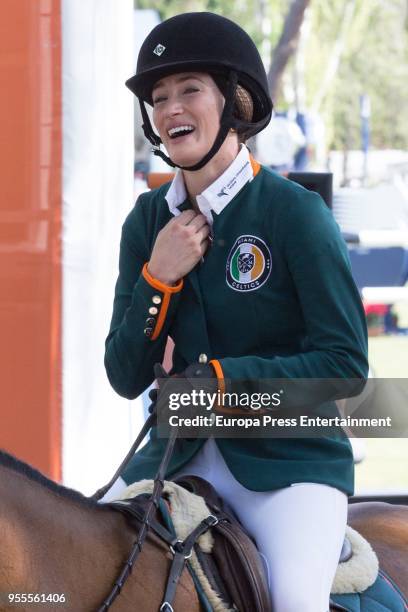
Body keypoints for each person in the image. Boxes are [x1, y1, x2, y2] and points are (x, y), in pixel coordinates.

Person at [103, 12, 368, 611]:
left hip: (289, 463)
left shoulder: (294, 213)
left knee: (297, 601)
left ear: (237, 101)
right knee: (78, 564)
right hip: (174, 455)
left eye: (189, 90)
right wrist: (158, 277)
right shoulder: (146, 222)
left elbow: (346, 363)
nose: (170, 109)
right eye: (158, 97)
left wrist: (224, 383)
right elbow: (123, 375)